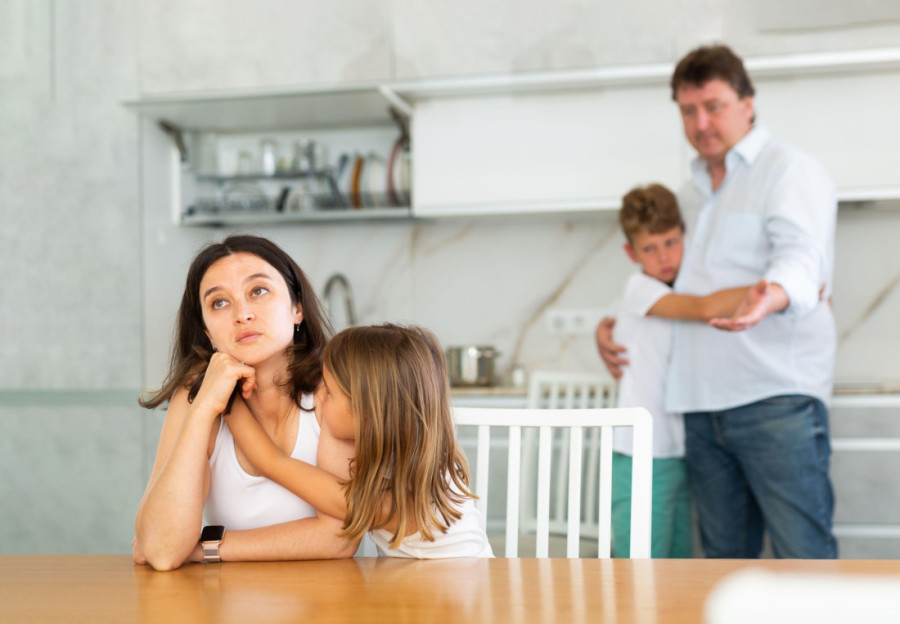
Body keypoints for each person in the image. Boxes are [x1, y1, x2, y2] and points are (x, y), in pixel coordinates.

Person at [597, 44, 838, 559]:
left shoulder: (789, 171)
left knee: (806, 561)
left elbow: (800, 260)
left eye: (714, 106)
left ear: (748, 103)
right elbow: (662, 287)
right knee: (723, 572)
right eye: (688, 110)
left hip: (774, 401)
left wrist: (769, 295)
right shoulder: (686, 198)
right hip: (699, 412)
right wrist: (611, 326)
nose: (701, 122)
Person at [133, 234, 359, 570]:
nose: (242, 314)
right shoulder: (194, 396)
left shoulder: (334, 392)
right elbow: (162, 551)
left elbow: (341, 538)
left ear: (297, 309)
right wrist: (203, 408)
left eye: (258, 291)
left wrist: (205, 548)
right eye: (219, 303)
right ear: (209, 334)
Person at [226, 324, 494, 558]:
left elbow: (271, 462)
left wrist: (226, 396)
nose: (317, 395)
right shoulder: (413, 465)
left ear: (367, 413)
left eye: (329, 391)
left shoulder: (396, 504)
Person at [610, 183, 752, 558]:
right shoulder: (639, 287)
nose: (664, 257)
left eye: (671, 243)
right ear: (631, 253)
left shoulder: (673, 289)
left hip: (674, 449)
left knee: (676, 563)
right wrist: (776, 285)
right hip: (639, 452)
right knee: (639, 564)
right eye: (650, 248)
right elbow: (706, 308)